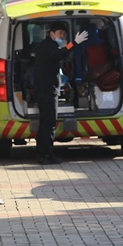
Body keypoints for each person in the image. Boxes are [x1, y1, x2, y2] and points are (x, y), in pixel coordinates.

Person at [33, 21, 88, 165]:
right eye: (59, 34)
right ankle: (46, 154)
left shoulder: (47, 45)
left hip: (44, 89)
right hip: (47, 90)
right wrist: (73, 43)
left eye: (63, 34)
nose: (61, 36)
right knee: (49, 123)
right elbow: (58, 55)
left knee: (45, 122)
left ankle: (42, 152)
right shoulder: (48, 47)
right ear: (51, 33)